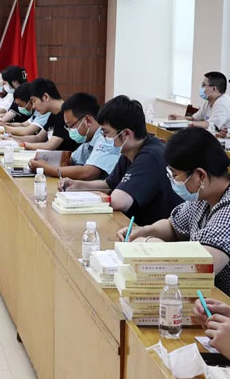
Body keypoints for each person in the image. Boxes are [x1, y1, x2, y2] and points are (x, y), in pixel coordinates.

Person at [117, 128, 230, 296]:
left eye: (175, 175)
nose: (173, 181)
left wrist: (150, 245)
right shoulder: (204, 198)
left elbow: (201, 267)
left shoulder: (227, 210)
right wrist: (143, 231)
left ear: (200, 175)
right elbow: (173, 226)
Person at [61, 95, 183, 226]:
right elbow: (108, 184)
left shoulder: (150, 156)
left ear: (126, 134)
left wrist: (83, 199)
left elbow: (117, 201)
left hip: (156, 232)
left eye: (106, 133)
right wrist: (78, 185)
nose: (104, 138)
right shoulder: (128, 151)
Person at [28, 92, 120, 180]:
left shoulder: (106, 137)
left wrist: (46, 168)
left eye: (71, 126)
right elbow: (69, 160)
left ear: (88, 121)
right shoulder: (88, 139)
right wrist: (43, 159)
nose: (69, 130)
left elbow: (88, 173)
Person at [12, 78, 79, 151]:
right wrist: (13, 138)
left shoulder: (66, 115)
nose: (33, 106)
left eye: (34, 101)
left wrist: (23, 145)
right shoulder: (53, 114)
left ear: (46, 97)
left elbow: (50, 146)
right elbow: (38, 138)